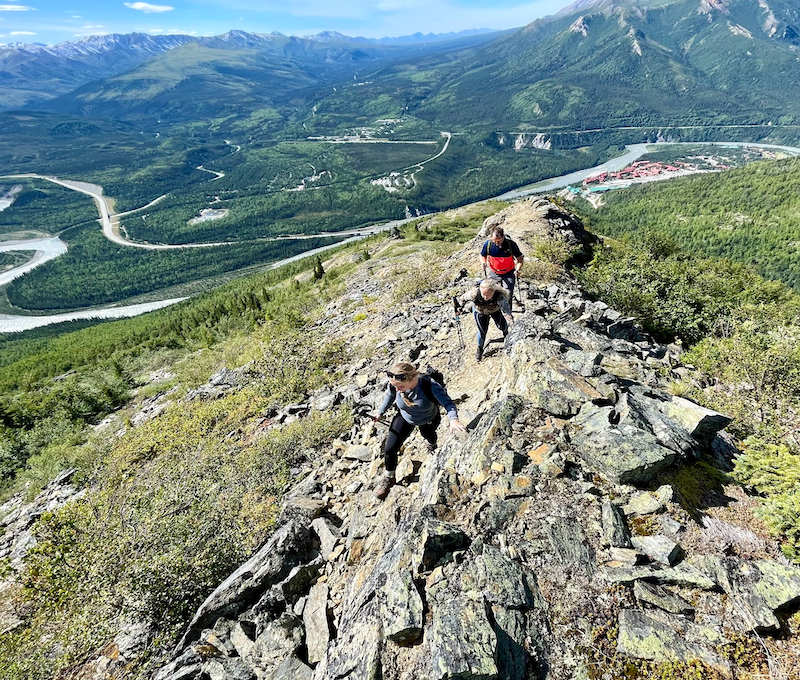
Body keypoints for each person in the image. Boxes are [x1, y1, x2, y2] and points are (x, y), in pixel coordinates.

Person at [372, 362, 468, 499]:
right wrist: (379, 413)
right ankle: (389, 477)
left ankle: (431, 444)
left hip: (428, 418)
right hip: (404, 417)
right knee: (389, 449)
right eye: (396, 387)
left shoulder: (430, 386)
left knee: (428, 434)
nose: (398, 390)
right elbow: (389, 396)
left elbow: (448, 403)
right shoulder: (395, 385)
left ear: (411, 379)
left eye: (401, 387)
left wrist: (453, 419)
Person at [457, 279, 514, 362]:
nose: (485, 297)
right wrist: (459, 309)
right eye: (483, 295)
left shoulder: (499, 296)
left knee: (502, 325)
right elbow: (462, 299)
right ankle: (480, 349)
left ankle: (506, 335)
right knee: (482, 331)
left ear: (493, 292)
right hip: (480, 312)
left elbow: (507, 311)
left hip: (495, 311)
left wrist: (511, 323)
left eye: (488, 295)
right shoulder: (474, 294)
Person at [479, 226, 524, 308]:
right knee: (492, 291)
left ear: (503, 236)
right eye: (494, 240)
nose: (496, 242)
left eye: (498, 240)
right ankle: (495, 309)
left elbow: (520, 259)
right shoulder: (488, 244)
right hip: (494, 272)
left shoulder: (510, 244)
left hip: (509, 272)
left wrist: (517, 269)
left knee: (508, 292)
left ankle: (508, 311)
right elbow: (482, 255)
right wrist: (483, 262)